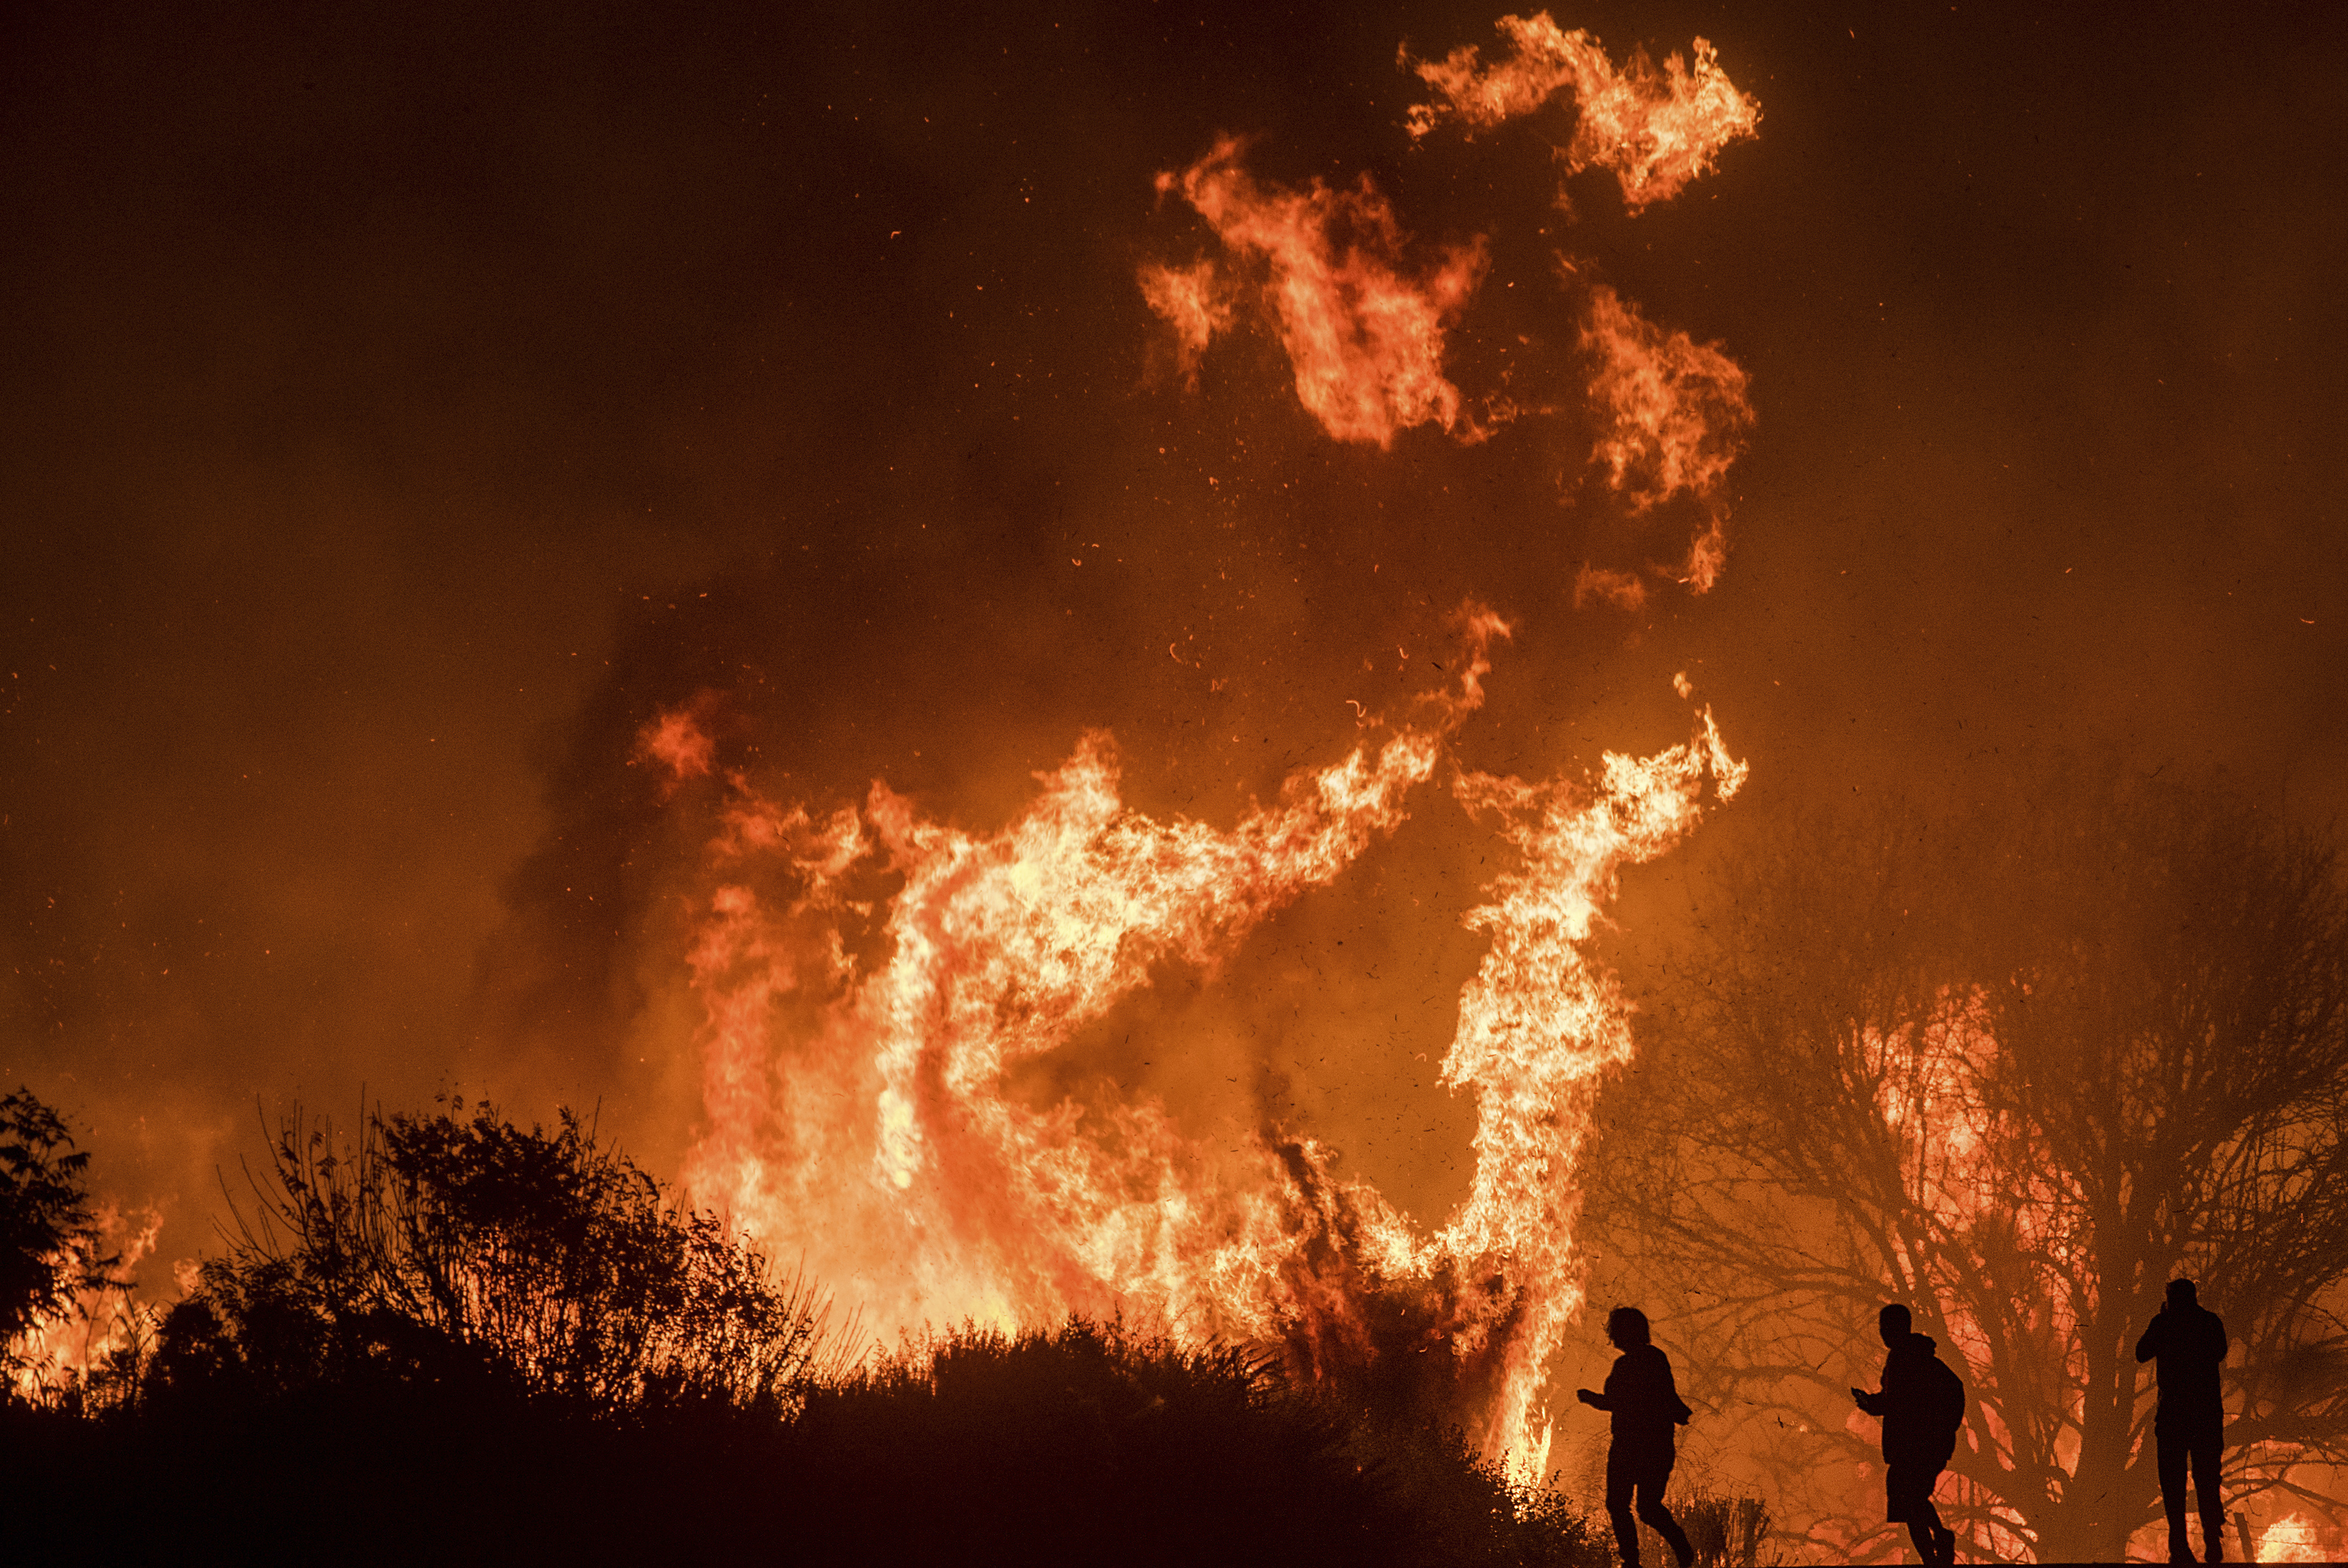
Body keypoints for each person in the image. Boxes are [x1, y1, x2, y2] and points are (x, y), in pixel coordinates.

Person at [1577, 1305, 1696, 1568]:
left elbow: (1615, 1402)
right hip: (1657, 1446)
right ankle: (1684, 1553)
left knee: (1619, 1505)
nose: (1613, 1337)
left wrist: (1589, 1398)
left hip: (1631, 1446)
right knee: (1648, 1507)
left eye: (1616, 1331)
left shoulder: (1627, 1365)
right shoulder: (1657, 1358)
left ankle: (1632, 1562)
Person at [1852, 1302, 1964, 1568]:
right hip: (1908, 1448)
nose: (1882, 1333)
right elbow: (1896, 1401)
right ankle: (1933, 1553)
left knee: (1912, 1500)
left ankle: (1937, 1546)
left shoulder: (1913, 1359)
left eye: (1886, 1327)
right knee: (1910, 1503)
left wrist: (1942, 1431)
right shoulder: (1900, 1360)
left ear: (1899, 1328)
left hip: (1921, 1446)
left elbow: (1906, 1402)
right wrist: (1872, 1404)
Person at [2136, 1277, 2229, 1564]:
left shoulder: (2164, 1323)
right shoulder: (2209, 1322)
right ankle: (2212, 1541)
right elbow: (2220, 1353)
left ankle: (2179, 1546)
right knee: (2207, 1480)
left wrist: (2163, 1322)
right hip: (2206, 1415)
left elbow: (2141, 1353)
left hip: (2173, 1416)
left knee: (2173, 1484)